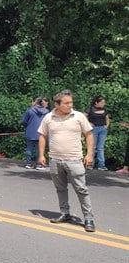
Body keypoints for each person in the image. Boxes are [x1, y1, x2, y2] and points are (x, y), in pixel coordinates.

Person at [37, 90, 96, 232]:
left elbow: (89, 135)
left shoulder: (78, 116)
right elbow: (42, 136)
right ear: (57, 104)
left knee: (81, 189)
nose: (70, 105)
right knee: (60, 189)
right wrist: (41, 155)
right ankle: (65, 214)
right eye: (67, 103)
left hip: (74, 160)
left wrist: (89, 154)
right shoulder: (48, 117)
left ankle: (89, 219)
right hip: (55, 160)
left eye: (71, 102)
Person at [21, 97, 49, 169]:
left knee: (29, 149)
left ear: (34, 102)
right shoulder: (46, 112)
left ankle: (28, 163)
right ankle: (39, 164)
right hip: (41, 133)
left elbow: (23, 121)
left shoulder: (29, 111)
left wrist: (27, 126)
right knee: (39, 149)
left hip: (30, 131)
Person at [84, 95, 110, 170]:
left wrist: (106, 126)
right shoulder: (90, 109)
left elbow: (107, 119)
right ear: (96, 102)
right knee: (92, 147)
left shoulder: (104, 110)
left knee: (100, 148)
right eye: (102, 102)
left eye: (104, 103)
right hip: (94, 129)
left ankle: (101, 165)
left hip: (102, 129)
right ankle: (90, 164)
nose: (103, 104)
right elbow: (83, 117)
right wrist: (88, 123)